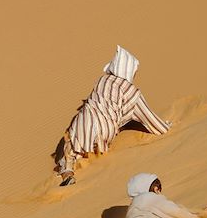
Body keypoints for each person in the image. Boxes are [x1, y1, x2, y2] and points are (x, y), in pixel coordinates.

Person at [55, 46, 171, 186]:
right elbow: (153, 123)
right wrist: (167, 126)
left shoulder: (102, 81)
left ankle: (67, 170)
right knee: (97, 139)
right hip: (105, 130)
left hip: (82, 122)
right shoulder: (132, 93)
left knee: (72, 150)